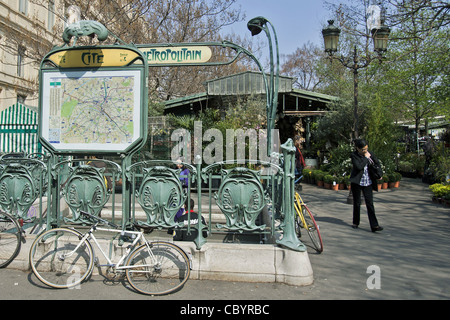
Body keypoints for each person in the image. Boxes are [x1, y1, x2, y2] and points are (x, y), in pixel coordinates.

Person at [349, 139, 383, 232]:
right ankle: (355, 222)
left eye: (366, 149)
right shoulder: (354, 155)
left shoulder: (369, 153)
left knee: (370, 203)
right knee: (357, 203)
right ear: (358, 149)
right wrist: (366, 158)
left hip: (368, 182)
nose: (365, 151)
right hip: (357, 182)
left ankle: (374, 225)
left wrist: (379, 174)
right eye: (363, 149)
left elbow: (377, 163)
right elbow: (359, 167)